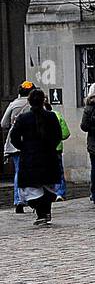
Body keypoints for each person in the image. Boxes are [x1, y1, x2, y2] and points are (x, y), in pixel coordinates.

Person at [10, 89, 62, 226]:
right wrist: (50, 146)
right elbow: (58, 135)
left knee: (34, 186)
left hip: (31, 157)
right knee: (46, 185)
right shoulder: (51, 116)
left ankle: (42, 213)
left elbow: (14, 137)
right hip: (48, 156)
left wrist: (23, 147)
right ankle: (44, 212)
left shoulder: (23, 118)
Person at [3, 80, 37, 212]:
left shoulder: (14, 104)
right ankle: (31, 198)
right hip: (31, 142)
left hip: (16, 142)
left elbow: (3, 123)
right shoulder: (34, 104)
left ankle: (18, 199)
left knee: (18, 170)